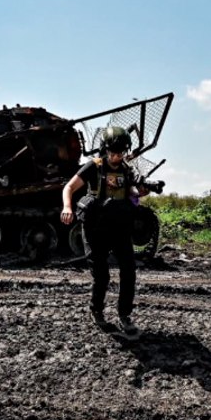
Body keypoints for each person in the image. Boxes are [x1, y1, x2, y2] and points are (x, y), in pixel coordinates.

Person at [60, 126, 143, 339]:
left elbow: (132, 192)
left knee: (129, 270)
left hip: (119, 227)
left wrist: (141, 190)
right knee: (101, 275)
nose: (116, 157)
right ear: (105, 149)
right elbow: (69, 187)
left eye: (121, 152)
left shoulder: (127, 170)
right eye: (113, 152)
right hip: (95, 228)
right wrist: (67, 207)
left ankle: (124, 314)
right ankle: (96, 311)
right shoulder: (94, 167)